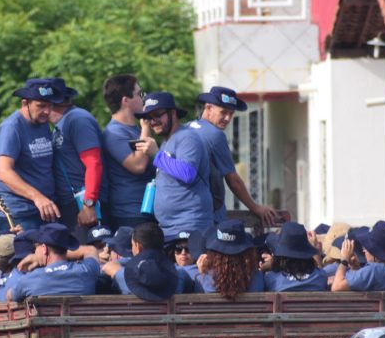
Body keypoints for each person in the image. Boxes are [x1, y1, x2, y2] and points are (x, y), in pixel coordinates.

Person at [187, 87, 276, 226]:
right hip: (205, 216)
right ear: (208, 108)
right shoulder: (214, 135)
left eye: (231, 113)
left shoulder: (184, 129)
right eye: (223, 112)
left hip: (180, 215)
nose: (228, 118)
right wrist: (255, 207)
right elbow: (233, 181)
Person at [133, 92, 213, 240]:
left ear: (173, 113)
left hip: (190, 225)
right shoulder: (165, 142)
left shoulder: (187, 137)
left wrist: (157, 155)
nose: (153, 121)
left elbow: (188, 173)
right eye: (149, 117)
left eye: (157, 114)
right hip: (168, 228)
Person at [0, 78, 66, 231]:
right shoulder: (12, 127)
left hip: (46, 209)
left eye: (50, 105)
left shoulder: (42, 123)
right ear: (25, 103)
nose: (47, 111)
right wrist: (37, 197)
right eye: (41, 106)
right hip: (20, 213)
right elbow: (3, 172)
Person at [50, 80, 104, 235]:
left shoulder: (78, 119)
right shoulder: (62, 123)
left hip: (85, 207)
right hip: (72, 205)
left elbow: (94, 163)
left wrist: (89, 204)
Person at [101, 74, 155, 228]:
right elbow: (138, 165)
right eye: (140, 94)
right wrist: (146, 127)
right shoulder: (113, 134)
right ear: (126, 100)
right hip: (130, 215)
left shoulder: (134, 130)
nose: (144, 99)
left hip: (147, 211)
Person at [8, 223, 101, 301]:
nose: (35, 251)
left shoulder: (29, 279)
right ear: (66, 248)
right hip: (81, 322)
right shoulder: (87, 271)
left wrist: (24, 270)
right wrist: (61, 250)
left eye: (36, 247)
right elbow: (90, 250)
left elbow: (9, 296)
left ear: (44, 249)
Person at [102, 222, 194, 299]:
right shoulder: (179, 273)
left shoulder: (127, 276)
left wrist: (119, 269)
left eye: (132, 245)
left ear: (138, 247)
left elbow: (108, 267)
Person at [195, 219, 265, 298]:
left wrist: (202, 275)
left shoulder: (204, 279)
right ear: (246, 253)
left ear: (215, 253)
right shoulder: (257, 277)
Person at [332, 220, 385, 292]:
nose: (364, 250)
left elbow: (337, 287)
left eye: (367, 247)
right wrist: (355, 267)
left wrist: (344, 262)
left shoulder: (372, 271)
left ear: (377, 253)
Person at [264, 222, 329, 291]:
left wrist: (263, 268)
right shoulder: (320, 277)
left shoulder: (271, 279)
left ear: (280, 257)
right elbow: (319, 272)